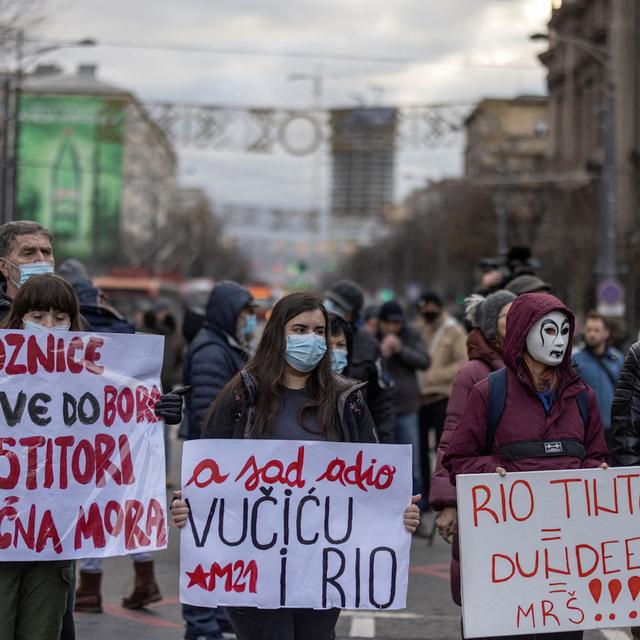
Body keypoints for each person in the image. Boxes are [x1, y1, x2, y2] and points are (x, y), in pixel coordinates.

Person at [170, 292, 421, 640]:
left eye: (319, 331)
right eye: (300, 329)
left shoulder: (347, 400)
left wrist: (399, 513)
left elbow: (372, 484)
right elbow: (208, 476)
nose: (313, 340)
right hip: (252, 565)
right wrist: (187, 507)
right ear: (277, 335)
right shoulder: (242, 395)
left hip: (322, 564)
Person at [0, 274, 183, 638]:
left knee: (41, 631)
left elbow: (125, 413)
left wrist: (158, 409)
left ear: (74, 322)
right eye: (38, 317)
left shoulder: (97, 377)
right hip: (6, 536)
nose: (50, 327)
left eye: (60, 317)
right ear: (18, 318)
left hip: (54, 544)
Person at [443, 293, 608, 640]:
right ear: (521, 332)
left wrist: (597, 475)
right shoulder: (488, 393)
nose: (559, 341)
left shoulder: (582, 397)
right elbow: (459, 459)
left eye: (565, 331)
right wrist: (493, 473)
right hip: (503, 566)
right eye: (548, 330)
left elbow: (596, 455)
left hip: (563, 569)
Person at [428, 290, 515, 606]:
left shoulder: (539, 371)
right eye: (508, 315)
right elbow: (452, 437)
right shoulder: (473, 373)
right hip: (487, 499)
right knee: (486, 602)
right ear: (493, 326)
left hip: (522, 503)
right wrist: (448, 501)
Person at [182, 280, 256, 640]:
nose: (249, 321)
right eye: (245, 313)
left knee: (223, 546)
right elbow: (207, 414)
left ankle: (219, 619)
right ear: (229, 312)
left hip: (223, 464)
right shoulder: (212, 351)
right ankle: (201, 626)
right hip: (212, 466)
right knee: (206, 547)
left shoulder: (226, 346)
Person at [324, 280, 394, 443]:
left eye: (339, 306)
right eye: (331, 302)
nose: (331, 308)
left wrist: (384, 444)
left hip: (356, 434)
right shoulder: (314, 336)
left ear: (353, 314)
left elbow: (381, 402)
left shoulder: (369, 345)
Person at [415, 290, 467, 505]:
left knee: (440, 449)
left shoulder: (453, 330)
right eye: (422, 308)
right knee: (421, 451)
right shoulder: (421, 329)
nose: (426, 311)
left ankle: (442, 492)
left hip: (442, 397)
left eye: (429, 307)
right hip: (421, 399)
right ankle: (425, 495)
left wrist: (434, 376)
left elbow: (462, 362)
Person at [376, 300, 430, 497]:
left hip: (407, 408)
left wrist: (400, 351)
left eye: (396, 323)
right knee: (385, 464)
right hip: (382, 411)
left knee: (411, 462)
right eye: (388, 323)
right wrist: (381, 353)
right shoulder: (372, 337)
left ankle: (417, 507)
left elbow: (425, 361)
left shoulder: (411, 335)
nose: (392, 328)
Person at [573, 310, 623, 447]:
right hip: (586, 429)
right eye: (589, 330)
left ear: (606, 333)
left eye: (596, 330)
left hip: (613, 429)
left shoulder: (617, 359)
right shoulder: (576, 361)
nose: (592, 334)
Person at [0, 220, 55, 322]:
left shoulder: (70, 315)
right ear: (3, 266)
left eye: (46, 252)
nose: (41, 260)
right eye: (28, 253)